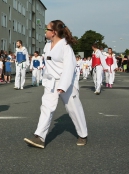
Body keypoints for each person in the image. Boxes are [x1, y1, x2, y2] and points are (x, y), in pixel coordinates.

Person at [24, 20, 88, 148]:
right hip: (51, 82)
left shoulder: (66, 48)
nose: (45, 32)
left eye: (47, 29)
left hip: (66, 82)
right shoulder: (47, 45)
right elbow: (48, 64)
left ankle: (83, 134)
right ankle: (40, 137)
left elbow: (69, 68)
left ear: (53, 33)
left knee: (73, 109)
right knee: (46, 107)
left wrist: (63, 86)